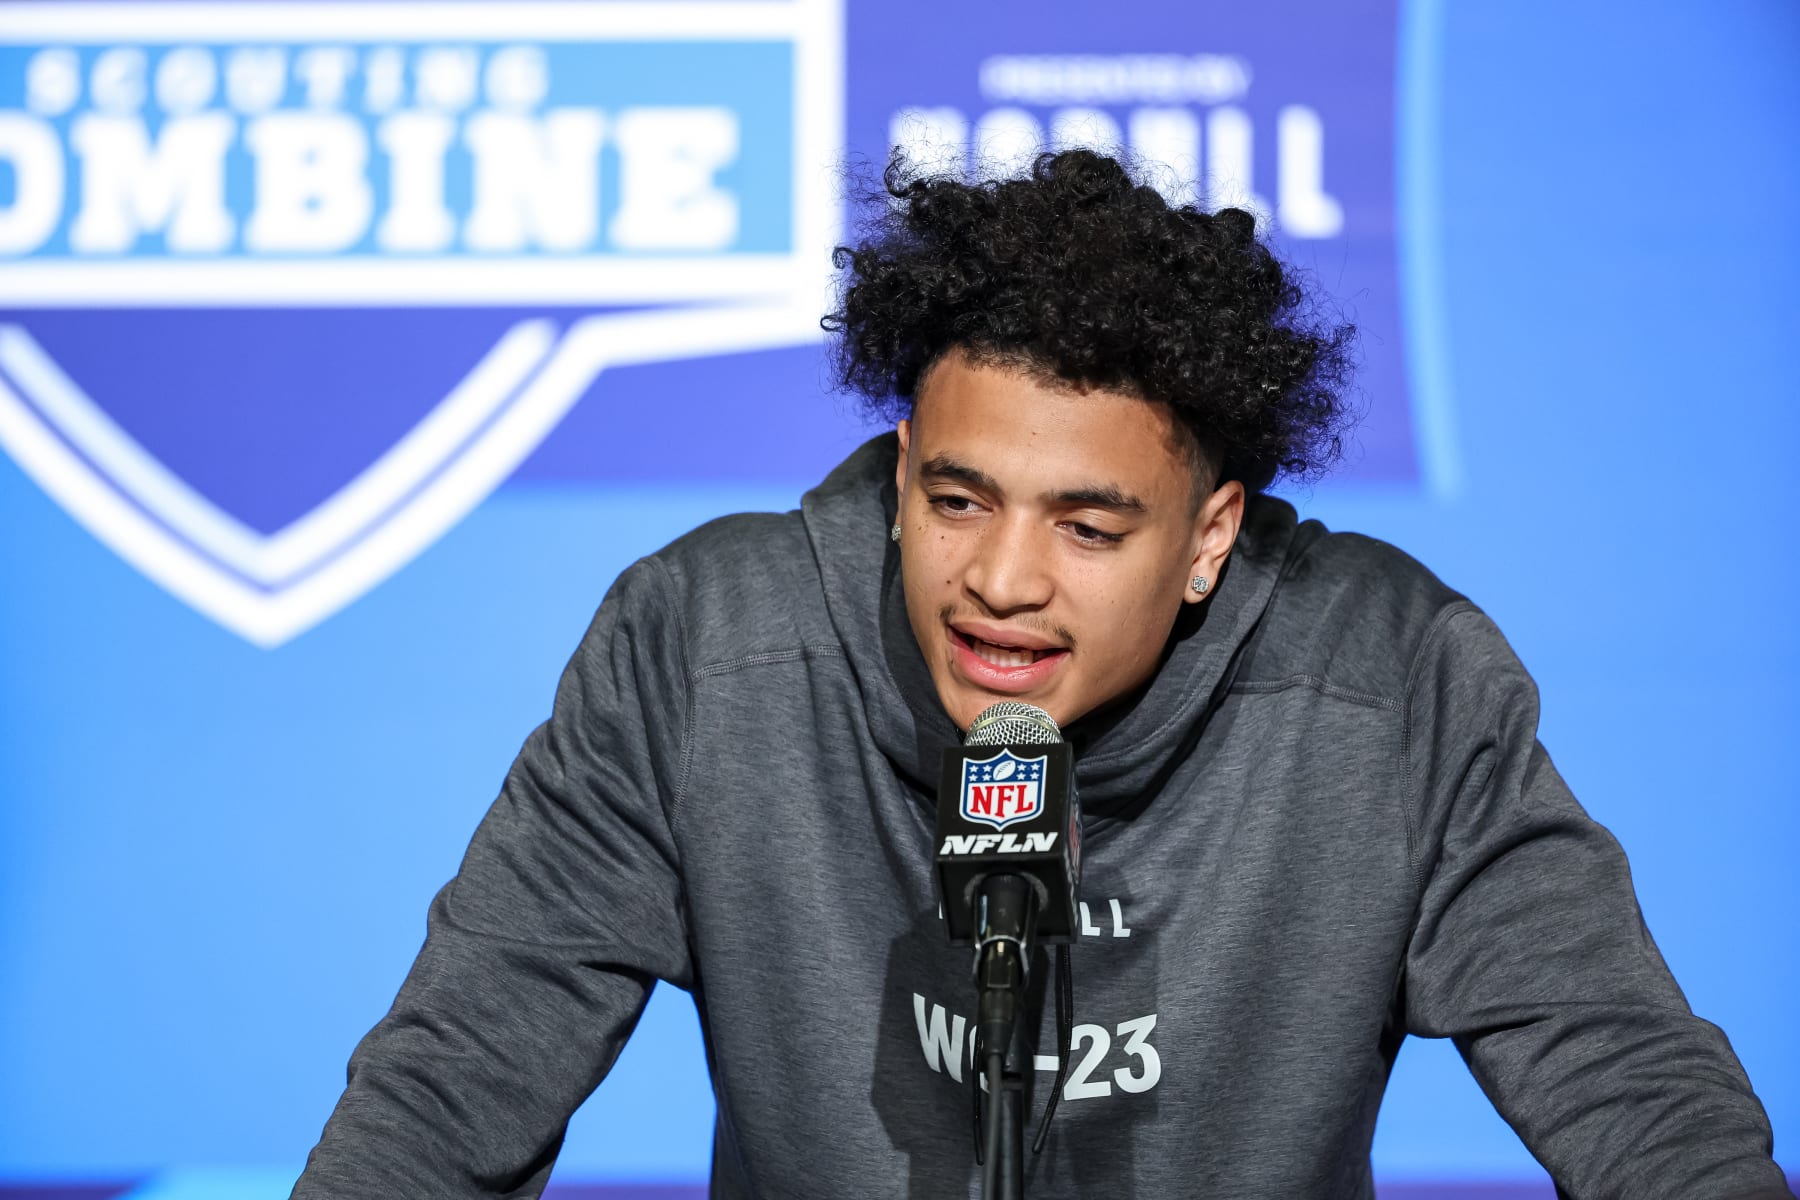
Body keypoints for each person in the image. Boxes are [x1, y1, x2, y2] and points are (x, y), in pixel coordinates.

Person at [292, 150, 1790, 1199]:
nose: (1001, 580)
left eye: (1088, 525)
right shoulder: (705, 649)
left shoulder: (1390, 685)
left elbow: (1629, 1083)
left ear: (1209, 538)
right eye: (957, 501)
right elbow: (456, 1083)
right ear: (897, 478)